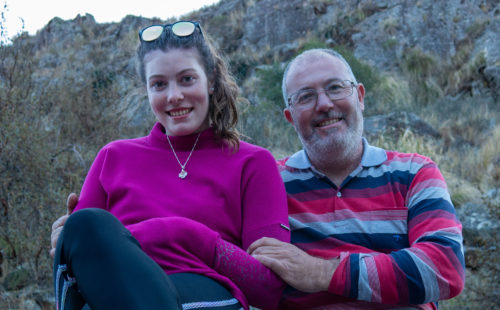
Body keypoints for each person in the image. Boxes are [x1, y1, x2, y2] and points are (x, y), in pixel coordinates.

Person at [50, 20, 290, 310]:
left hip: (206, 296)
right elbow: (79, 259)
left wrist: (183, 235)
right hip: (112, 293)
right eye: (159, 84)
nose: (173, 96)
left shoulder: (252, 163)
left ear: (211, 80)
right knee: (86, 225)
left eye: (187, 79)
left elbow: (268, 287)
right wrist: (68, 240)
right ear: (147, 90)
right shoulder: (112, 157)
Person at [248, 48, 466, 309]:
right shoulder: (268, 183)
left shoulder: (414, 173)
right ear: (290, 117)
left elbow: (445, 268)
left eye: (336, 88)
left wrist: (321, 273)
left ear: (360, 96)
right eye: (305, 97)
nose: (325, 104)